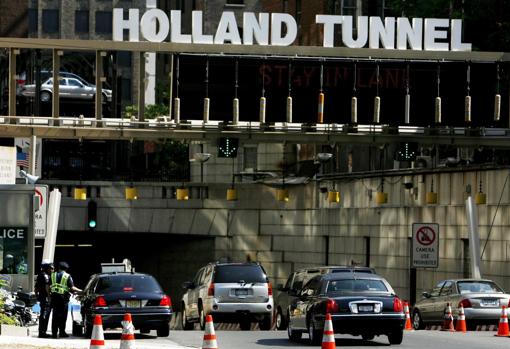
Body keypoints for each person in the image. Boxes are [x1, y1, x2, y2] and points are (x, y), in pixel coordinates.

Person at [49, 261, 82, 338]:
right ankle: (62, 332)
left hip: (54, 297)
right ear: (66, 269)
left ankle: (54, 333)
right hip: (63, 299)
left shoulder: (53, 275)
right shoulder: (67, 276)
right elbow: (72, 287)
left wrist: (48, 295)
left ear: (59, 268)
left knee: (55, 315)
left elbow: (48, 286)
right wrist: (81, 291)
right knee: (63, 316)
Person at [35, 261, 53, 338]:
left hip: (42, 297)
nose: (52, 270)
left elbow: (36, 288)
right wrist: (49, 297)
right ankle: (42, 332)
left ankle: (42, 331)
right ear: (46, 268)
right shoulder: (45, 276)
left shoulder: (39, 275)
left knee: (43, 314)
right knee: (45, 315)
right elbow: (47, 288)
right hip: (45, 298)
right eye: (51, 268)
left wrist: (37, 296)